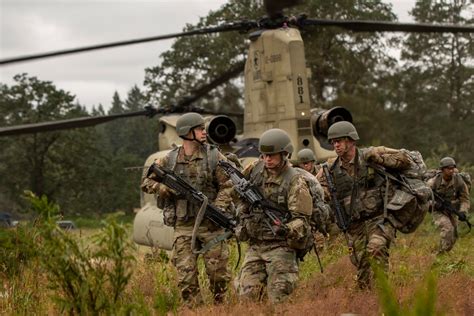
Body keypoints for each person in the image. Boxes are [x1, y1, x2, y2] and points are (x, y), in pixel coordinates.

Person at [141, 112, 233, 306]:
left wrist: (218, 208)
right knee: (186, 281)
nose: (204, 132)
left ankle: (220, 309)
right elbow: (147, 182)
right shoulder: (170, 159)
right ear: (187, 132)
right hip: (184, 227)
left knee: (219, 278)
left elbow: (229, 185)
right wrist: (164, 188)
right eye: (199, 129)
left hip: (211, 226)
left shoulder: (214, 156)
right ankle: (195, 310)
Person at [318, 121, 411, 289]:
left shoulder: (370, 156)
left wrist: (381, 157)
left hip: (379, 218)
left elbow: (406, 160)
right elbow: (317, 191)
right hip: (355, 225)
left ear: (351, 140)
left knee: (376, 248)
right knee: (362, 264)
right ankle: (366, 298)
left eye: (339, 140)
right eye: (333, 142)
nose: (336, 145)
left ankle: (383, 293)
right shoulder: (329, 169)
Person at [235, 128, 313, 303]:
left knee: (279, 298)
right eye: (264, 155)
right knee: (247, 297)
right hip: (255, 245)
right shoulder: (254, 170)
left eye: (272, 155)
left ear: (284, 154)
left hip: (281, 246)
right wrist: (241, 213)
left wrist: (286, 229)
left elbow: (302, 219)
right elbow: (238, 193)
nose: (267, 159)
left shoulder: (295, 180)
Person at [427, 157, 470, 254]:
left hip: (452, 210)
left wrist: (463, 211)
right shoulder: (432, 183)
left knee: (453, 236)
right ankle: (440, 255)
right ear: (442, 170)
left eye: (452, 168)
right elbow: (423, 199)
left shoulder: (459, 181)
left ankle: (441, 252)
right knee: (448, 229)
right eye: (448, 168)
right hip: (438, 211)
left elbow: (465, 199)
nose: (451, 170)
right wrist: (436, 204)